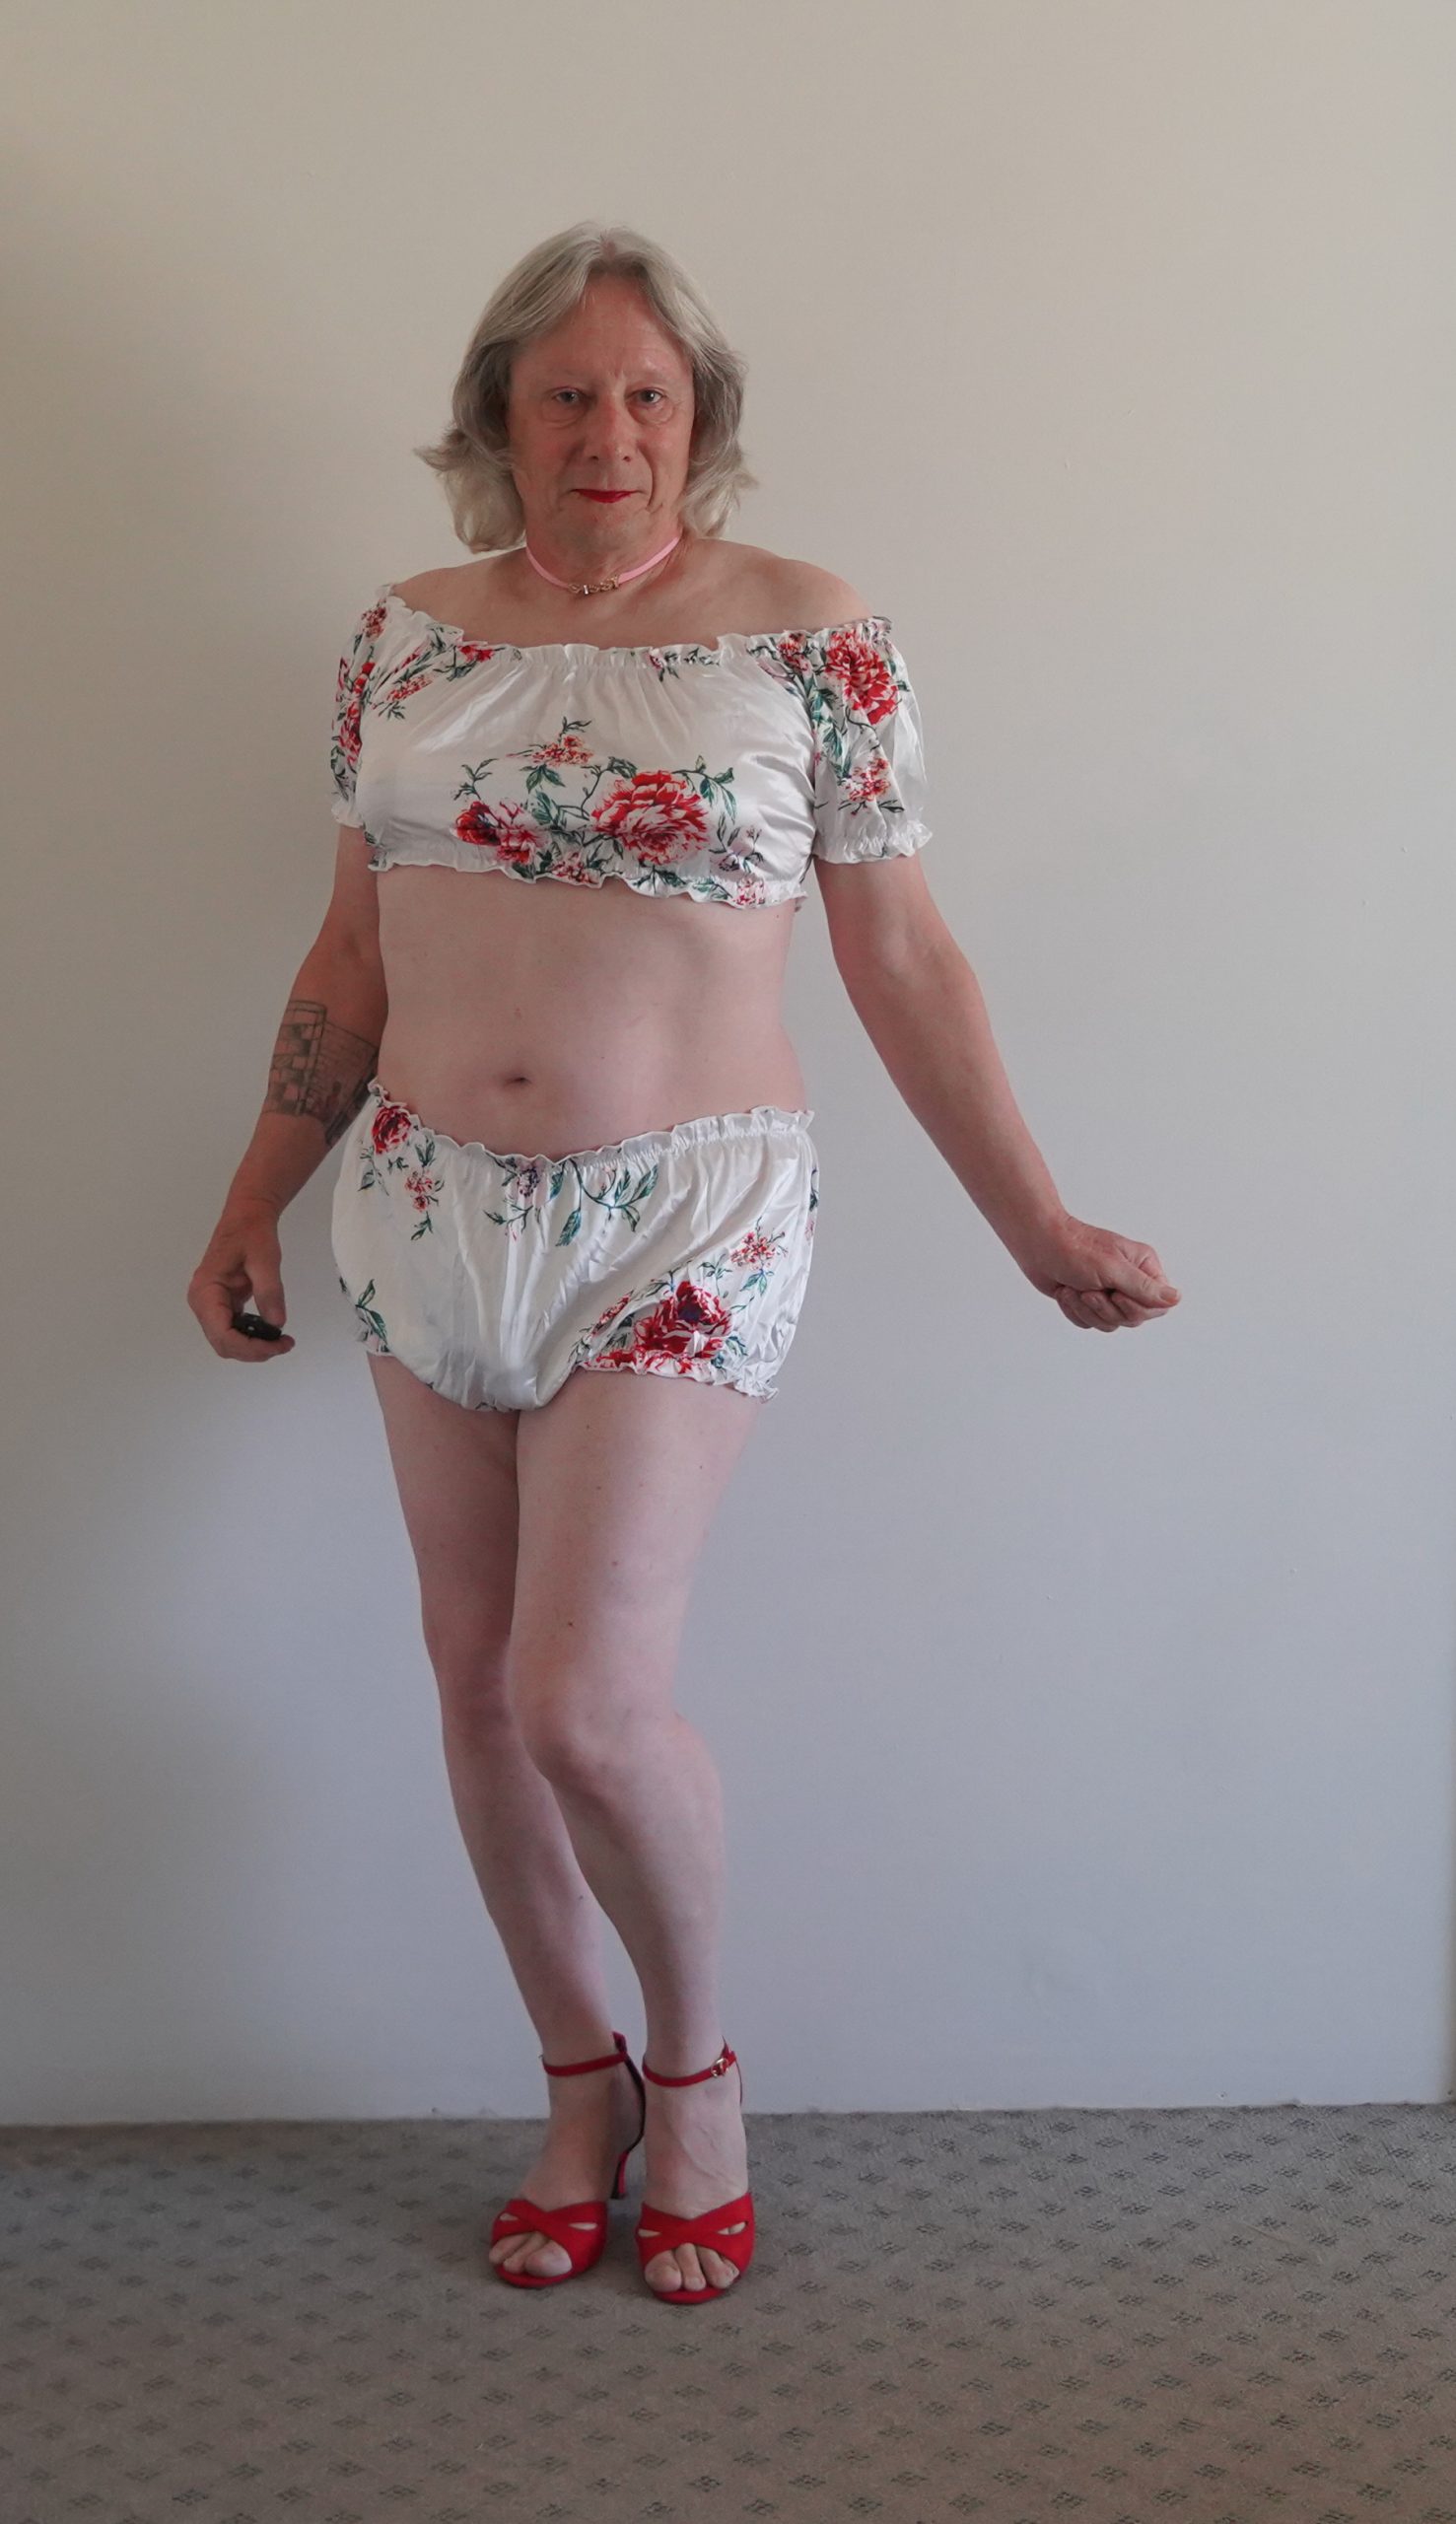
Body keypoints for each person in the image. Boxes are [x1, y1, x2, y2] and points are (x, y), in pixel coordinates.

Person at [188, 221, 1181, 2305]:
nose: (609, 430)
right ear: (499, 416)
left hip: (689, 1214)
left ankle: (697, 2071)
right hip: (424, 1204)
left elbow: (903, 958)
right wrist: (252, 1190)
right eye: (567, 392)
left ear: (699, 418)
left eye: (648, 394)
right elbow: (353, 947)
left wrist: (1037, 1226)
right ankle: (578, 2090)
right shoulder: (401, 638)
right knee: (478, 1692)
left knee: (583, 1700)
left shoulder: (809, 634)